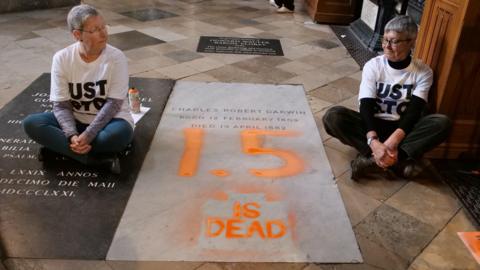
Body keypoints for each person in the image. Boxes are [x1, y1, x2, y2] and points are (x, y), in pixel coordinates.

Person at [322, 15, 451, 180]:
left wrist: (391, 143)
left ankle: (372, 161)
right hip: (373, 126)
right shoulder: (373, 66)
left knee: (441, 123)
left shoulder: (423, 72)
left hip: (403, 130)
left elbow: (414, 111)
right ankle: (395, 161)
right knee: (333, 117)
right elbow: (365, 105)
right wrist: (374, 142)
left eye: (394, 42)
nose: (386, 46)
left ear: (411, 42)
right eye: (385, 40)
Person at [23, 4, 133, 174]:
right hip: (75, 121)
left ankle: (59, 148)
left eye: (104, 26)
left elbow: (113, 104)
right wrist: (71, 135)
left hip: (109, 122)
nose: (104, 33)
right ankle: (93, 160)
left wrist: (87, 136)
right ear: (77, 35)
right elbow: (61, 105)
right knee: (32, 123)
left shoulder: (116, 57)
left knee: (120, 135)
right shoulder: (62, 58)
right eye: (95, 29)